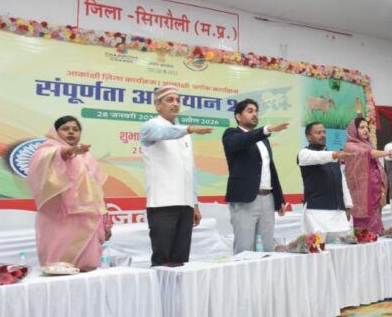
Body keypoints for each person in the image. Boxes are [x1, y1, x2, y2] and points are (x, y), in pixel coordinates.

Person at [141, 85, 214, 266]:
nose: (175, 104)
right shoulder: (150, 126)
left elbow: (190, 170)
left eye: (178, 100)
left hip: (185, 205)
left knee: (181, 261)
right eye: (170, 100)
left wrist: (194, 203)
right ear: (158, 105)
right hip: (163, 204)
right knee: (162, 261)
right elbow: (164, 133)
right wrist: (189, 129)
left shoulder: (185, 133)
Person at [27, 116, 110, 271]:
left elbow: (97, 189)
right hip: (59, 217)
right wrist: (71, 151)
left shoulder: (86, 156)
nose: (71, 132)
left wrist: (106, 219)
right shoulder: (47, 151)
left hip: (87, 217)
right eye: (65, 129)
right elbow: (61, 155)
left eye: (75, 129)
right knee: (59, 267)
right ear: (55, 132)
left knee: (88, 267)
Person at [223, 98, 290, 253]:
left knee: (266, 248)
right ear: (238, 116)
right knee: (244, 249)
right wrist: (266, 129)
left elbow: (270, 170)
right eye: (250, 111)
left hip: (268, 199)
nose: (255, 114)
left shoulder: (263, 140)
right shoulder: (231, 134)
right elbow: (242, 141)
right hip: (245, 200)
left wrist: (279, 199)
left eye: (256, 112)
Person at [343, 117, 392, 232]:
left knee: (376, 225)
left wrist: (382, 190)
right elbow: (369, 154)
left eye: (367, 127)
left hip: (375, 193)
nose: (366, 130)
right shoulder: (350, 146)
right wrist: (389, 153)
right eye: (362, 127)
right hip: (361, 194)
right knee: (363, 229)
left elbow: (378, 166)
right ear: (354, 130)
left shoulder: (368, 144)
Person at [298, 122, 353, 235]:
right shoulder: (304, 154)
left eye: (324, 132)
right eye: (318, 133)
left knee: (341, 245)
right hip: (316, 212)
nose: (322, 135)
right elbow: (317, 157)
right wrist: (334, 155)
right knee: (318, 245)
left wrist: (347, 206)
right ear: (308, 137)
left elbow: (342, 182)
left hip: (338, 213)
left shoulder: (331, 155)